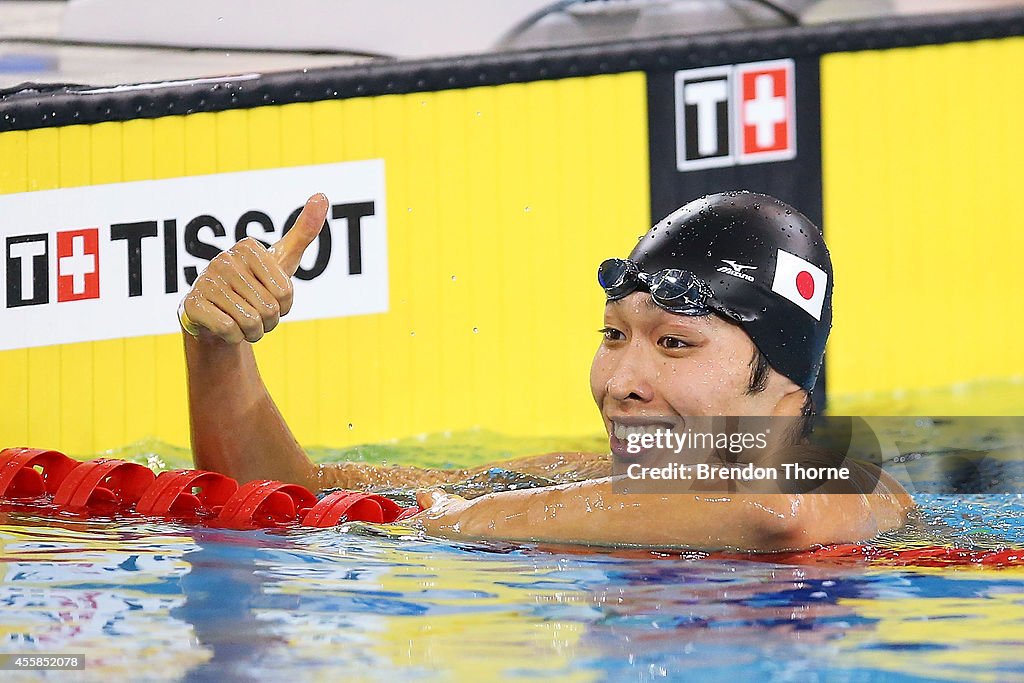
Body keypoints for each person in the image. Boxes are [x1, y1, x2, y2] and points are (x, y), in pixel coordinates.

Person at [179, 191, 913, 550]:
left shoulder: (854, 480)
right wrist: (217, 347)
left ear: (787, 391)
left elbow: (780, 511)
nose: (620, 378)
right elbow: (285, 500)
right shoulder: (566, 478)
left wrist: (463, 524)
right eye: (615, 334)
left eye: (675, 344)